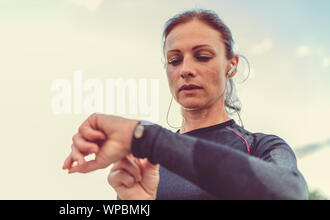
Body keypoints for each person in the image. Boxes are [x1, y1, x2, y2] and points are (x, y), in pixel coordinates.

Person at [61, 9, 308, 200]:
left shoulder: (262, 147)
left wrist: (146, 137)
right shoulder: (143, 163)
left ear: (231, 65)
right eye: (174, 60)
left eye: (202, 57)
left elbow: (290, 193)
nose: (186, 70)